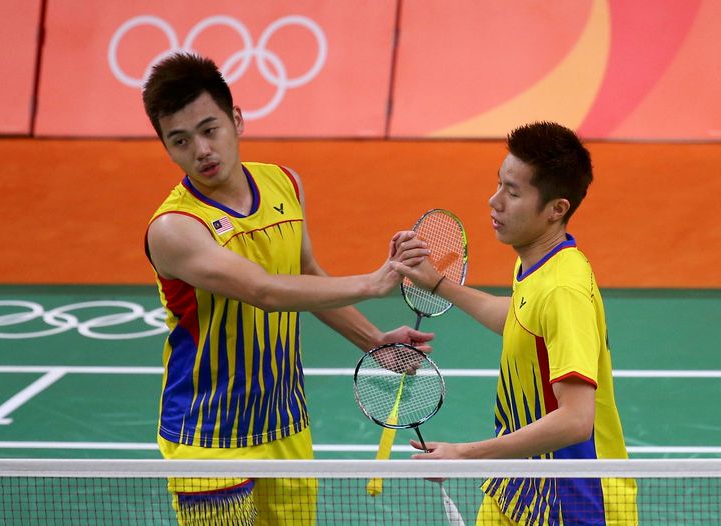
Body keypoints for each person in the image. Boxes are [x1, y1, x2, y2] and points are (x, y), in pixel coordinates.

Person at [141, 52, 433, 525]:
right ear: (167, 148)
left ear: (236, 119)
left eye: (209, 129)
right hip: (210, 434)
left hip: (285, 424)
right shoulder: (176, 228)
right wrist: (374, 283)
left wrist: (374, 343)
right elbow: (265, 291)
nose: (201, 150)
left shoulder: (284, 184)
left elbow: (306, 272)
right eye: (180, 140)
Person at [395, 122, 638, 525]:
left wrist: (465, 454)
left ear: (557, 209)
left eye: (512, 192)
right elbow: (519, 318)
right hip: (518, 484)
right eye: (498, 185)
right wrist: (437, 283)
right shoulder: (538, 262)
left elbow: (577, 419)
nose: (494, 202)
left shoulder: (563, 290)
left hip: (573, 499)